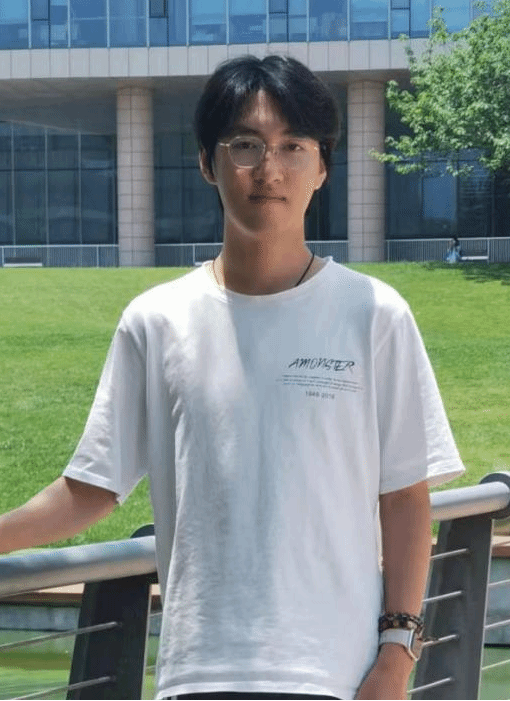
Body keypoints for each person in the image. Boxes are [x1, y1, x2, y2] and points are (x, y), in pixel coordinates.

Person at [0, 55, 465, 701]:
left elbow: (406, 496)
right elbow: (91, 488)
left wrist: (396, 655)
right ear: (206, 161)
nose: (269, 168)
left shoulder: (373, 313)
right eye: (245, 144)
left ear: (322, 167)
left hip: (338, 672)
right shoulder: (157, 320)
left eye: (293, 146)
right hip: (199, 671)